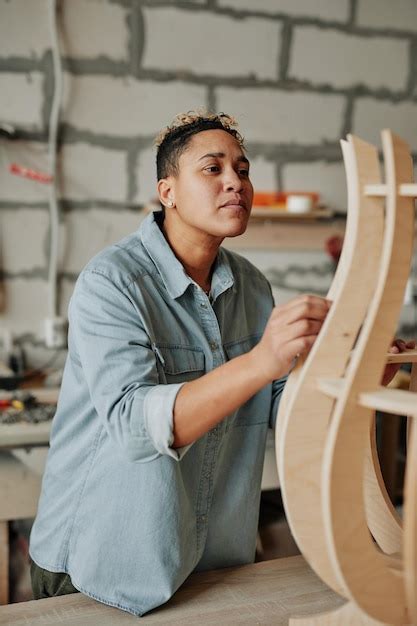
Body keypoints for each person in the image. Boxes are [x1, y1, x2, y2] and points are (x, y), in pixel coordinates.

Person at [29, 111, 408, 616]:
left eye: (244, 170)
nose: (236, 182)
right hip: (101, 567)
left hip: (210, 565)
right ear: (169, 192)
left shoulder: (251, 286)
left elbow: (283, 409)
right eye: (213, 169)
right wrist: (263, 359)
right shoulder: (112, 283)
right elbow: (134, 425)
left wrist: (353, 373)